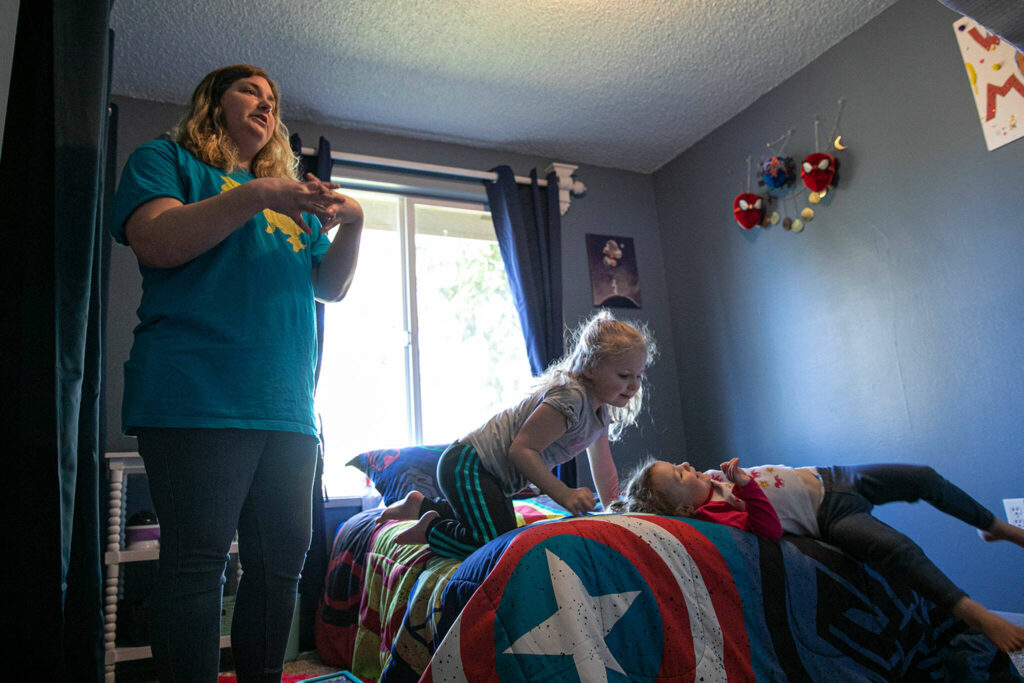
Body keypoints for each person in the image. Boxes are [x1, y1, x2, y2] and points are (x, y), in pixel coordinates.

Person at [111, 64, 364, 681]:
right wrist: (255, 194)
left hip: (289, 409)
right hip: (195, 395)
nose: (267, 102)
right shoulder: (166, 159)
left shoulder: (286, 199)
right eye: (251, 90)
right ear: (212, 101)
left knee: (282, 566)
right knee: (198, 565)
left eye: (274, 98)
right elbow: (156, 242)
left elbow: (329, 288)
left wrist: (353, 221)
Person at [612, 457, 1024, 653]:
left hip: (831, 477)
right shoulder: (718, 514)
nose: (687, 465)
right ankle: (975, 612)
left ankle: (994, 526)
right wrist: (745, 487)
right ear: (683, 509)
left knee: (924, 477)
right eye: (679, 474)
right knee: (895, 549)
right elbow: (768, 529)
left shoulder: (712, 479)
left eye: (678, 464)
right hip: (829, 515)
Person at [377, 310, 656, 558]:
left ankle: (423, 505)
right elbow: (521, 450)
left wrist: (614, 511)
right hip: (469, 464)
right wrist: (564, 494)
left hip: (492, 478)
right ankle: (432, 530)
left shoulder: (599, 414)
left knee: (498, 525)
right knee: (494, 544)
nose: (633, 386)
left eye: (639, 376)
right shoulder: (570, 398)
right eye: (624, 376)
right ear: (593, 366)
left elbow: (604, 466)